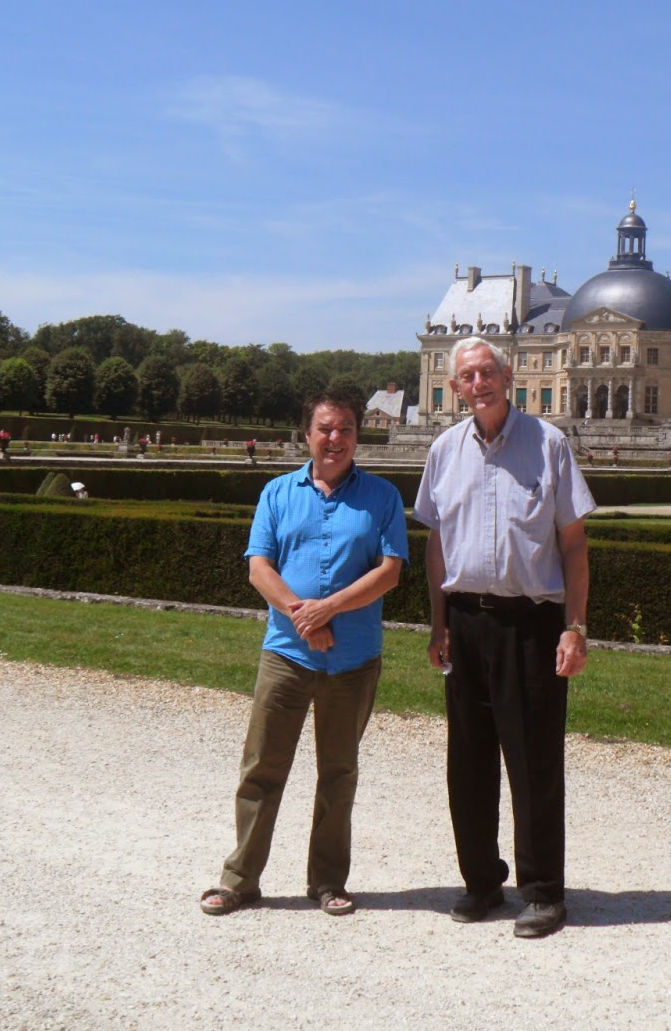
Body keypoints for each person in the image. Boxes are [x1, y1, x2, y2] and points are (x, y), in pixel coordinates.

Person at [199, 388, 408, 918]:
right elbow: (259, 568)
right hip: (287, 655)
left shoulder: (382, 496)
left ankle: (328, 882)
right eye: (325, 429)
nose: (335, 438)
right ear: (307, 434)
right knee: (261, 767)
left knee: (338, 774)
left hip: (353, 659)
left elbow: (389, 572)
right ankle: (240, 879)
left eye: (345, 429)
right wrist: (303, 617)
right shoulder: (276, 492)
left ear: (358, 435)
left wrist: (326, 609)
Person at [414, 337, 596, 939]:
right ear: (455, 387)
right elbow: (436, 544)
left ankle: (543, 892)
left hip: (530, 624)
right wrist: (438, 621)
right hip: (465, 622)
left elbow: (574, 545)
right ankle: (482, 882)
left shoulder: (548, 443)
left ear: (508, 376)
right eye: (467, 376)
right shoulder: (443, 450)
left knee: (534, 761)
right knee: (467, 762)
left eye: (487, 371)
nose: (479, 383)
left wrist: (575, 626)